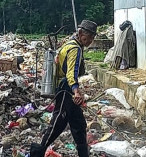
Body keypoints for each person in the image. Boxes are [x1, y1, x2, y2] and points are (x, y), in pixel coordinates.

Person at [30, 20, 97, 157]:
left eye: (92, 38)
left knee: (78, 124)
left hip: (65, 88)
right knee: (57, 123)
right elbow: (71, 73)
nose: (90, 41)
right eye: (88, 37)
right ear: (79, 33)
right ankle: (37, 152)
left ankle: (84, 154)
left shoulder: (69, 44)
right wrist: (76, 91)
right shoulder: (75, 49)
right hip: (65, 90)